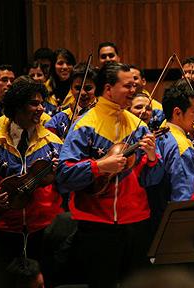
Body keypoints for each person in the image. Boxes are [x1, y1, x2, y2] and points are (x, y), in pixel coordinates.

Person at [56, 62, 164, 288]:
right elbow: (64, 174)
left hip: (136, 223)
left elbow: (152, 180)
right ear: (108, 89)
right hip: (97, 226)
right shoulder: (85, 125)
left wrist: (153, 158)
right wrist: (100, 166)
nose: (134, 90)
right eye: (127, 86)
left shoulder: (138, 126)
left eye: (135, 85)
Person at [0, 76, 63, 287]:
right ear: (17, 106)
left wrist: (61, 173)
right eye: (34, 103)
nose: (41, 108)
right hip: (4, 228)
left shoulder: (54, 143)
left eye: (42, 103)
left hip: (43, 228)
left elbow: (67, 186)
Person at [156, 79, 194, 202]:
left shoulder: (163, 132)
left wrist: (193, 154)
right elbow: (185, 196)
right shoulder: (181, 144)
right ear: (177, 113)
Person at [45, 63, 97, 139]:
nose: (82, 93)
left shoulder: (104, 116)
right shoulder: (58, 119)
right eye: (78, 88)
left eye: (88, 88)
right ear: (71, 89)